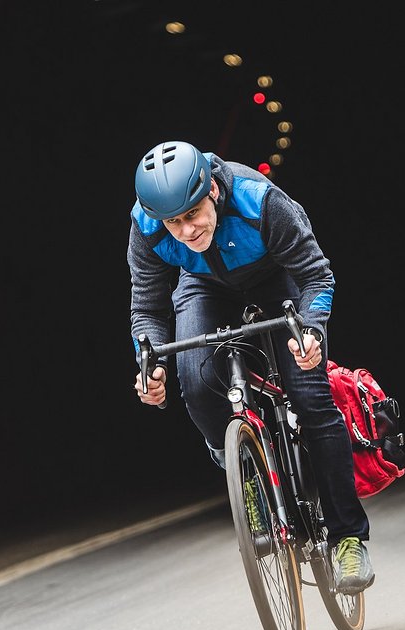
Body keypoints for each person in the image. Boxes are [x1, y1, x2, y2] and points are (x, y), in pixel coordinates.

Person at [127, 140, 374, 594]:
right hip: (204, 287)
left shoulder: (258, 200)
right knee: (197, 384)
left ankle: (348, 539)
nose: (185, 231)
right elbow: (146, 310)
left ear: (213, 194)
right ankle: (241, 466)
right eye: (173, 222)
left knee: (310, 397)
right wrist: (150, 362)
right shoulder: (146, 228)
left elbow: (317, 275)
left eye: (193, 214)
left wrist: (312, 334)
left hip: (275, 278)